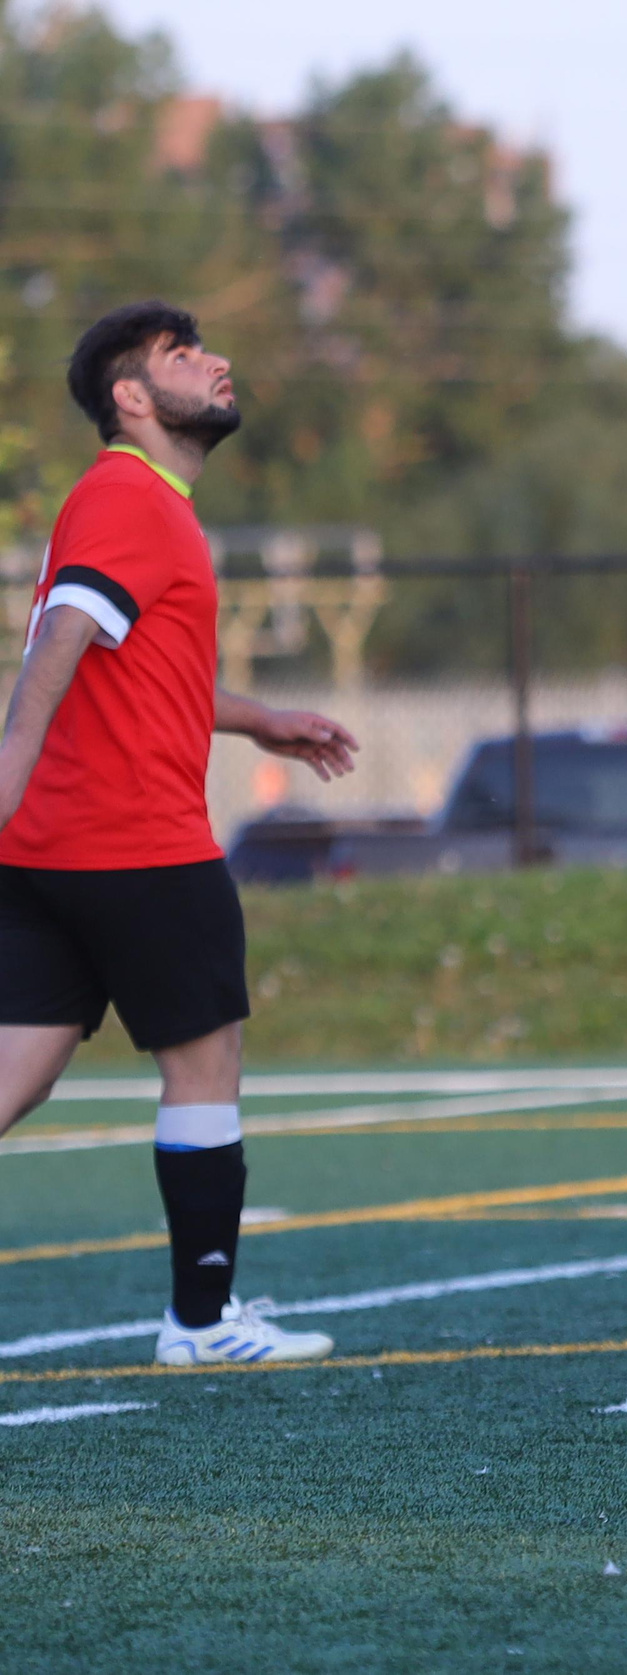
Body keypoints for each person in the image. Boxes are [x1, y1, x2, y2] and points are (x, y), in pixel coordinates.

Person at [0, 302, 359, 1366]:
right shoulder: (130, 496)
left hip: (49, 849)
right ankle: (199, 1325)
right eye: (182, 356)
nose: (217, 364)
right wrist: (6, 766)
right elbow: (64, 640)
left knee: (13, 1074)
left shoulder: (136, 505)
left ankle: (201, 1321)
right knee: (206, 1069)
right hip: (136, 847)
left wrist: (263, 722)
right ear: (131, 396)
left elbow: (145, 671)